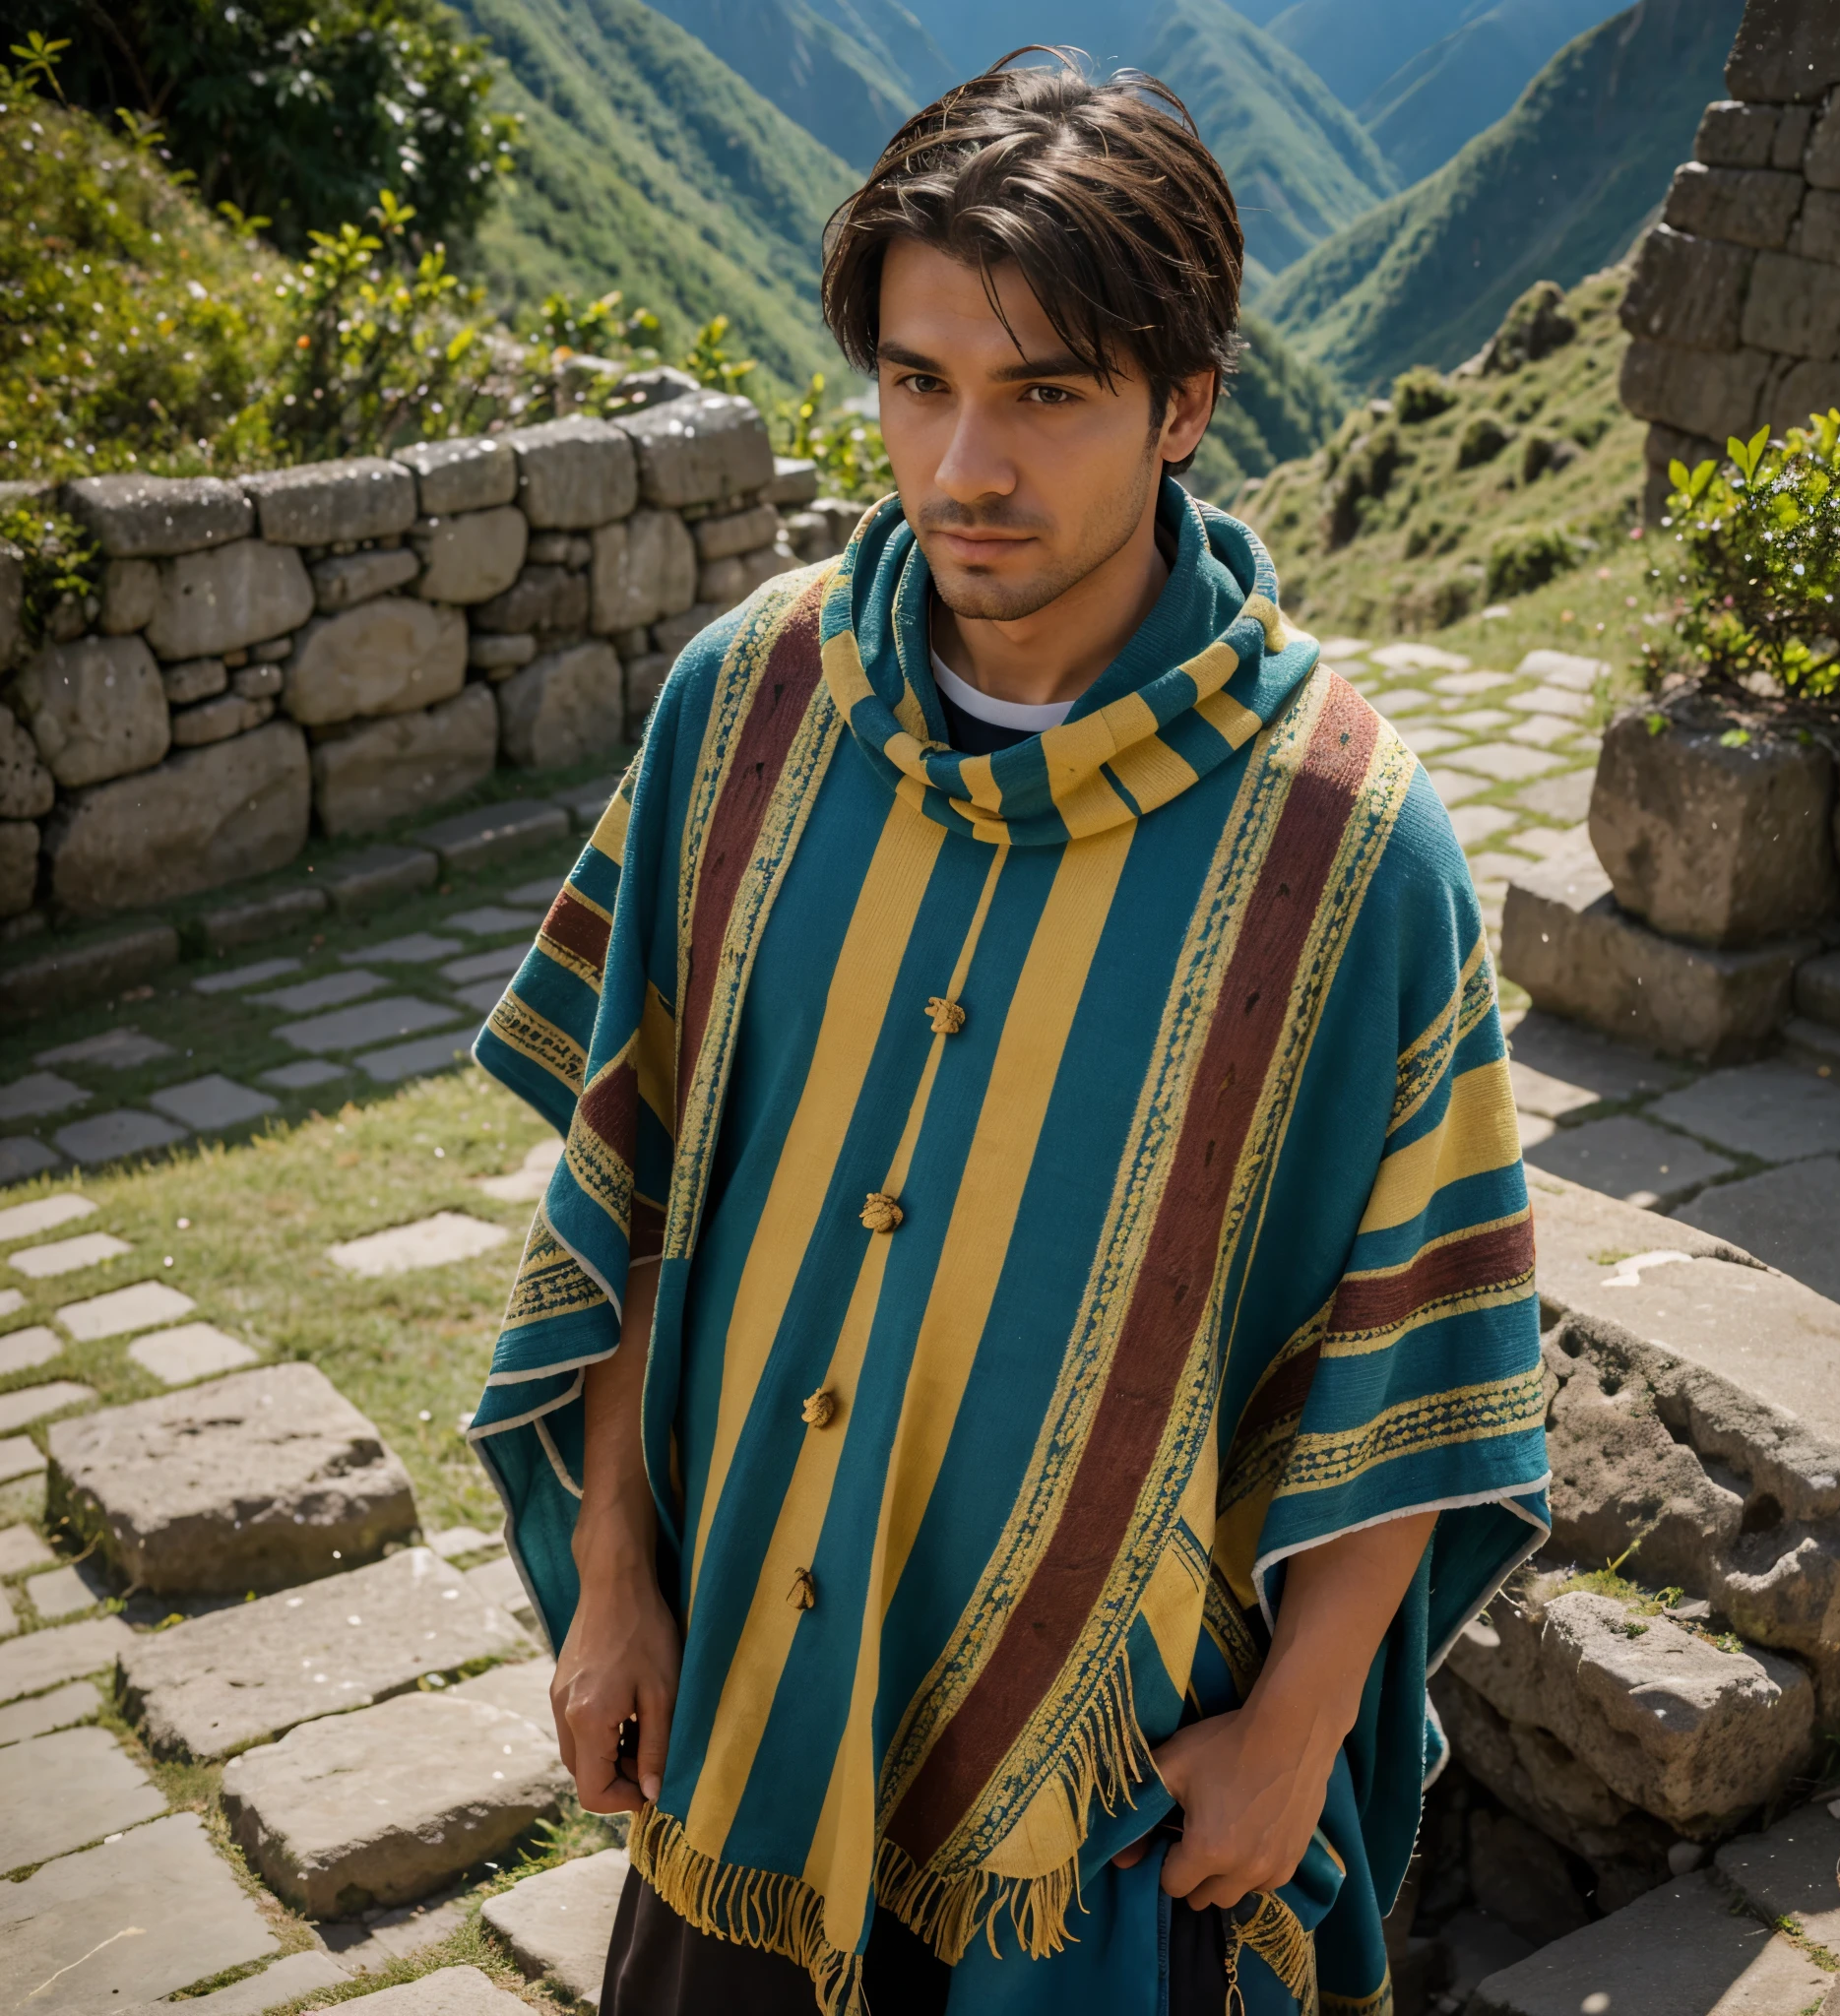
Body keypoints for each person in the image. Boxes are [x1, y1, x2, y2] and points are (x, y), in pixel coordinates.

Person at [471, 51, 1549, 2016]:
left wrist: (1298, 1730)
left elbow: (1426, 1342)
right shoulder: (741, 715)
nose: (964, 461)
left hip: (1102, 1826)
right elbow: (630, 1186)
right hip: (743, 1723)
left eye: (1044, 392)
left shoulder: (1345, 844)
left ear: (1184, 405)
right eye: (916, 379)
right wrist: (613, 1585)